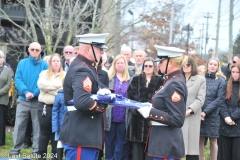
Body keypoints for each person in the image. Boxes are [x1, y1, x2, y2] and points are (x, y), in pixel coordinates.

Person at [60, 33, 110, 160]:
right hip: (82, 134)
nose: (102, 52)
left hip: (83, 133)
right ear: (88, 48)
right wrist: (102, 106)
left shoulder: (85, 67)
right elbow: (82, 101)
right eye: (100, 48)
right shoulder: (83, 69)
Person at [137, 45, 188, 160]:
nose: (158, 64)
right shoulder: (170, 80)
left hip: (167, 145)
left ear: (171, 63)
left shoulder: (174, 83)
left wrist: (151, 112)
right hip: (162, 144)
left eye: (161, 61)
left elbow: (177, 119)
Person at [10, 42, 48, 156]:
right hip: (23, 99)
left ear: (41, 50)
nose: (35, 52)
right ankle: (15, 150)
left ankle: (36, 151)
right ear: (28, 50)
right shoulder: (22, 63)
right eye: (33, 49)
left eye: (37, 50)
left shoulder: (45, 65)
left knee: (37, 127)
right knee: (19, 125)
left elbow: (44, 82)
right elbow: (18, 79)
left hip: (37, 101)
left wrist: (35, 93)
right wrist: (26, 92)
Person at [126, 57, 163, 160]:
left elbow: (161, 100)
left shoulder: (160, 81)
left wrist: (151, 111)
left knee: (150, 152)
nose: (147, 68)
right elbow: (130, 95)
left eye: (150, 66)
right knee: (136, 154)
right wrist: (137, 109)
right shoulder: (136, 79)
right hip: (136, 119)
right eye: (145, 66)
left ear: (154, 67)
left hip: (152, 120)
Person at [37, 53, 66, 160]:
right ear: (50, 63)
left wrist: (50, 90)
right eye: (53, 61)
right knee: (44, 133)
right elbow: (41, 85)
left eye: (58, 61)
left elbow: (65, 91)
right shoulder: (44, 73)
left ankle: (55, 157)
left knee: (56, 134)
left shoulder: (65, 75)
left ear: (60, 63)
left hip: (59, 109)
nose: (56, 63)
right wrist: (58, 87)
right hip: (44, 107)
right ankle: (42, 157)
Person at [104, 54, 131, 160]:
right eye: (117, 63)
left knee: (122, 145)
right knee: (110, 143)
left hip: (124, 117)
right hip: (110, 116)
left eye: (122, 63)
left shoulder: (130, 79)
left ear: (125, 65)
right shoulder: (109, 78)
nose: (120, 65)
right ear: (114, 65)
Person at [199, 58, 226, 160]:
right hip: (200, 113)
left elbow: (219, 99)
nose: (213, 66)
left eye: (215, 64)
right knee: (200, 140)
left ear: (218, 67)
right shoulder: (201, 78)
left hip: (213, 115)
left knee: (213, 141)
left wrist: (206, 112)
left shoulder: (221, 81)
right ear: (207, 65)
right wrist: (200, 111)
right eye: (211, 64)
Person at [181, 56, 206, 160]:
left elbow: (200, 99)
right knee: (177, 148)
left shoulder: (200, 80)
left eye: (188, 64)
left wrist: (190, 110)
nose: (185, 67)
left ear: (192, 66)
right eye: (184, 64)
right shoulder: (178, 79)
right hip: (178, 116)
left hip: (192, 117)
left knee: (191, 149)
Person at [218, 64, 240, 160]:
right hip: (225, 126)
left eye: (237, 72)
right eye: (233, 72)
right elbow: (221, 102)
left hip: (238, 126)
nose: (235, 74)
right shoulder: (226, 85)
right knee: (224, 155)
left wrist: (232, 117)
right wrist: (226, 116)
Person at [0, 50, 12, 146]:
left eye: (0, 57)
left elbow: (8, 85)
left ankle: (1, 141)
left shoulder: (8, 70)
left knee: (1, 121)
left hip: (3, 100)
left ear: (3, 59)